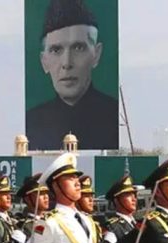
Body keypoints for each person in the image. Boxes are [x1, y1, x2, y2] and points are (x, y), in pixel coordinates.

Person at [26, 0, 118, 150]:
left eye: (78, 47)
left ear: (96, 54)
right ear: (44, 61)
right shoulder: (32, 123)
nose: (67, 63)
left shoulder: (113, 117)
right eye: (56, 50)